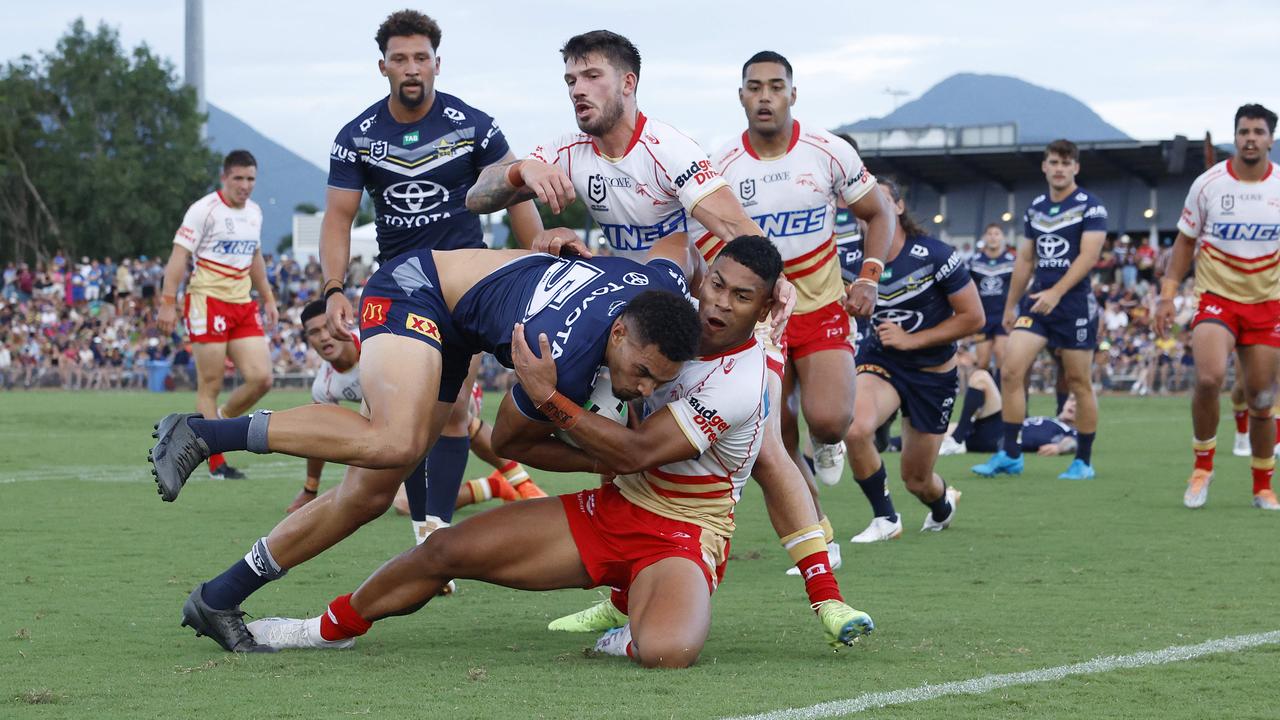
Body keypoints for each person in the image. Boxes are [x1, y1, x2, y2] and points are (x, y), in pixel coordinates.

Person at [240, 236, 873, 664]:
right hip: (614, 506)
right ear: (705, 280)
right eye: (718, 287)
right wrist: (572, 253)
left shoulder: (741, 379)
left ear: (767, 306)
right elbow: (670, 248)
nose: (718, 306)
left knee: (667, 653)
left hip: (684, 527)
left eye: (741, 298)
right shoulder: (671, 308)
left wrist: (552, 398)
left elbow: (635, 452)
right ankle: (322, 630)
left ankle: (632, 615)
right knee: (443, 549)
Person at [148, 231, 704, 653]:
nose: (642, 388)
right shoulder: (560, 358)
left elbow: (679, 244)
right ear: (618, 333)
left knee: (366, 497)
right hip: (418, 290)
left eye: (659, 379)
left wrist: (712, 283)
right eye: (641, 371)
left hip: (457, 328)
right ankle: (202, 431)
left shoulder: (665, 292)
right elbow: (514, 442)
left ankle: (219, 597)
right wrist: (607, 457)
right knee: (395, 442)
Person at [318, 10, 546, 544]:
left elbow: (516, 190)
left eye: (421, 57)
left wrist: (538, 252)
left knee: (456, 408)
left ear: (437, 63)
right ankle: (409, 516)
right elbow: (337, 218)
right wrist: (332, 289)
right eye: (400, 58)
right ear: (383, 67)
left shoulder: (475, 125)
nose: (412, 67)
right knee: (399, 422)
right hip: (399, 289)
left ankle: (431, 534)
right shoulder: (356, 135)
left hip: (464, 286)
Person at [691, 51, 893, 502]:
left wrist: (868, 278)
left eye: (776, 87)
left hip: (821, 305)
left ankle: (827, 441)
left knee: (828, 419)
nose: (766, 97)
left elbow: (879, 212)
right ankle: (818, 530)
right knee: (774, 438)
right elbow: (701, 238)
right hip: (761, 318)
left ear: (793, 94)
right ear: (741, 96)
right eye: (755, 87)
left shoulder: (827, 151)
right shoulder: (719, 165)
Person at [286, 300, 544, 515]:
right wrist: (310, 488)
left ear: (341, 322)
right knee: (404, 504)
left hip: (445, 393)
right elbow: (321, 435)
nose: (323, 337)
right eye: (314, 332)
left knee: (455, 415)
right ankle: (493, 487)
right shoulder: (324, 386)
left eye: (327, 327)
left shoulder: (376, 337)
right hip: (402, 422)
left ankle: (521, 481)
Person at [841, 178, 982, 543]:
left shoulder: (935, 254)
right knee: (855, 428)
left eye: (881, 201)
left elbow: (973, 317)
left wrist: (911, 340)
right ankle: (886, 518)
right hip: (881, 363)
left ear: (899, 208)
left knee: (918, 480)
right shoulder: (848, 260)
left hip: (933, 374)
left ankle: (942, 505)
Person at [1155, 103, 1280, 511]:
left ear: (1270, 139)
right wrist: (1168, 294)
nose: (1250, 138)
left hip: (1267, 305)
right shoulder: (1208, 184)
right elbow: (1185, 242)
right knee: (1208, 379)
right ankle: (1202, 469)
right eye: (1243, 131)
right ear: (1235, 135)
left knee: (1261, 397)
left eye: (1258, 132)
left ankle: (1262, 485)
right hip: (1216, 299)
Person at [971, 139, 1106, 481]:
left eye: (1066, 163)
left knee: (1078, 382)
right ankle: (1011, 453)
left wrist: (1057, 292)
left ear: (1075, 168)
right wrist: (1011, 304)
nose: (1059, 168)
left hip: (1074, 304)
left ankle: (1083, 461)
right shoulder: (1036, 208)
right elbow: (1026, 259)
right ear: (1045, 167)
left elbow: (1088, 257)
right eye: (1053, 162)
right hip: (1037, 304)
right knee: (1011, 370)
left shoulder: (1091, 207)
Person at [157, 149, 277, 480]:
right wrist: (168, 301)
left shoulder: (254, 212)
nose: (245, 185)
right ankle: (216, 464)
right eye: (238, 178)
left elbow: (255, 257)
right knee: (210, 384)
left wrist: (267, 297)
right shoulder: (204, 210)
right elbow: (178, 256)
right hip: (207, 301)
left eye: (251, 178)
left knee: (262, 378)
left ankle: (215, 426)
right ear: (224, 178)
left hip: (242, 303)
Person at [940, 368, 1078, 456]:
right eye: (1072, 400)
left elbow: (1072, 442)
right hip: (995, 431)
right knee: (941, 432)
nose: (1073, 405)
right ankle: (954, 440)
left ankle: (956, 441)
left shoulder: (1069, 431)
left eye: (1079, 405)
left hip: (1000, 436)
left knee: (981, 377)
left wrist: (1060, 448)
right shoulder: (1052, 421)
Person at [967, 223, 1016, 374]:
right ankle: (982, 396)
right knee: (982, 362)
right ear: (984, 237)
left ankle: (1002, 397)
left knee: (1002, 357)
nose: (993, 237)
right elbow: (966, 290)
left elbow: (1018, 287)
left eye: (997, 234)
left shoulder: (1012, 261)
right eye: (990, 234)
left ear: (1003, 237)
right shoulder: (974, 262)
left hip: (1003, 317)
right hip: (982, 318)